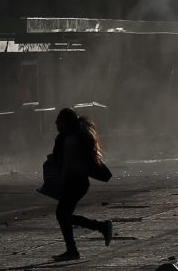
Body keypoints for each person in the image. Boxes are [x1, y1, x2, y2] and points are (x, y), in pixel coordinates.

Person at [51, 108, 112, 261]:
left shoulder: (70, 141)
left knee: (62, 215)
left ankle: (100, 229)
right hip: (79, 182)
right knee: (64, 215)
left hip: (75, 182)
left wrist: (59, 182)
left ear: (66, 122)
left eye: (59, 120)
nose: (56, 123)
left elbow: (67, 165)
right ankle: (75, 248)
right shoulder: (72, 137)